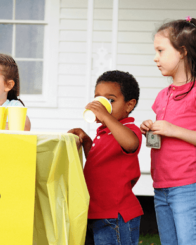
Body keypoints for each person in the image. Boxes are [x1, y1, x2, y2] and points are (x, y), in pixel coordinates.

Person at [140, 17, 196, 245]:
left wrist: (173, 129)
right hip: (160, 185)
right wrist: (150, 130)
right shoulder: (162, 95)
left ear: (182, 52)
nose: (155, 58)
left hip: (187, 185)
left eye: (160, 50)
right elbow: (163, 139)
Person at [69, 70, 143, 245]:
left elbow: (131, 144)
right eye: (98, 99)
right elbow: (98, 162)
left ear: (129, 105)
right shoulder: (104, 132)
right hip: (96, 211)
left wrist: (105, 116)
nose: (102, 105)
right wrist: (87, 141)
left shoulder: (129, 130)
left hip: (116, 215)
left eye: (110, 100)